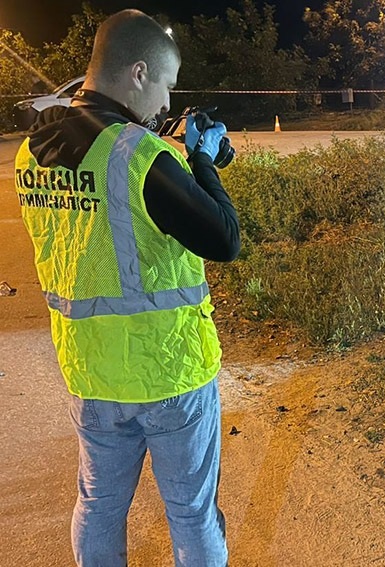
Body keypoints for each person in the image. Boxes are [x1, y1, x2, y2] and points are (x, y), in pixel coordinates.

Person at [14, 9, 239, 566]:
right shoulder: (141, 156)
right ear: (139, 73)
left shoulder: (34, 152)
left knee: (97, 505)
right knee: (190, 513)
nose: (166, 104)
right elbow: (224, 238)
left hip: (90, 373)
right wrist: (203, 159)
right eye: (165, 84)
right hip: (169, 373)